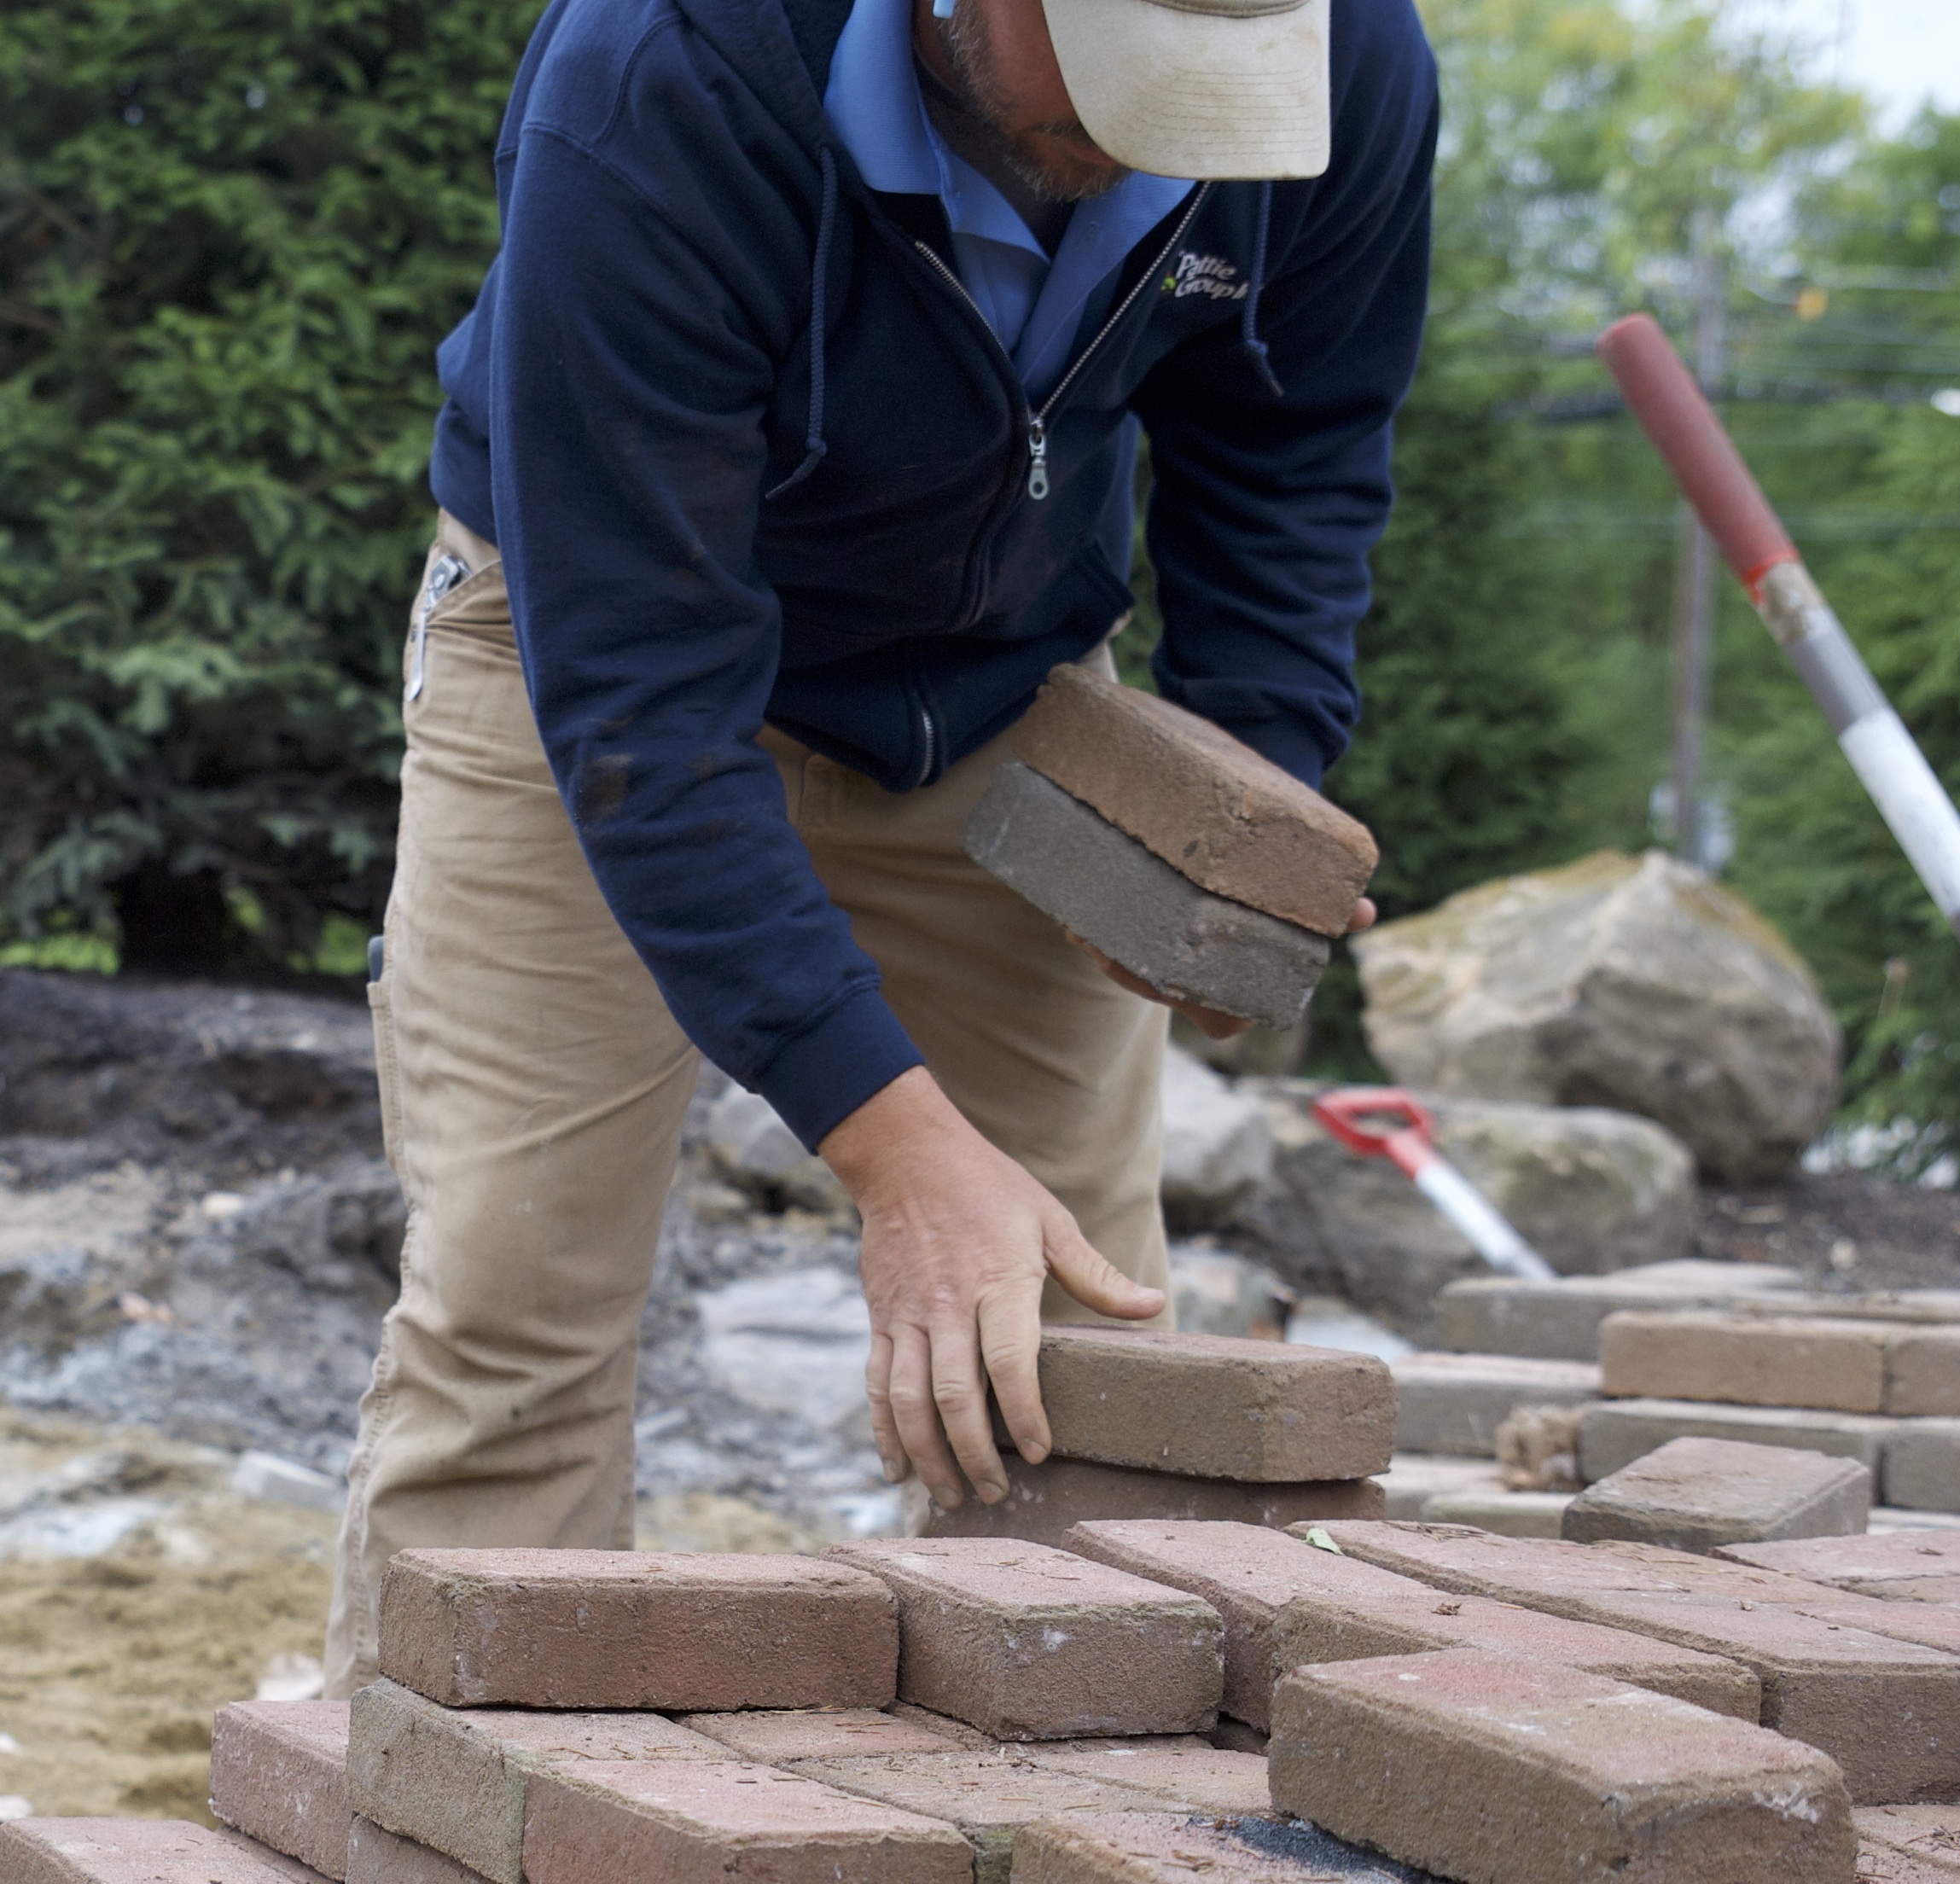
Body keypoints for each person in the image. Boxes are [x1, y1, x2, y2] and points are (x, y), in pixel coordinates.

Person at [323, 0, 1432, 1689]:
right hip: (584, 652)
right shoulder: (665, 67)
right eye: (1122, 84)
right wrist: (896, 1151)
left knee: (1081, 1344)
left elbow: (1296, 428)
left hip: (1006, 684)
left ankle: (1061, 1863)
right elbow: (643, 714)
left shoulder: (1342, 50)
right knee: (516, 1316)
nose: (1150, 146)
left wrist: (1239, 795)